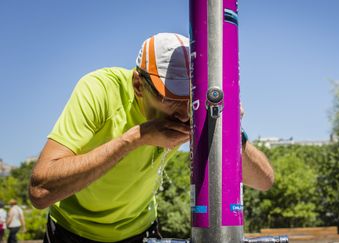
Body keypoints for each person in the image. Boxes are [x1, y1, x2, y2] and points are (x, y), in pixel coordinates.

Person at [29, 33, 274, 242]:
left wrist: (230, 129)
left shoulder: (193, 109)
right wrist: (136, 137)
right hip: (73, 230)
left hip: (140, 229)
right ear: (138, 85)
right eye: (170, 99)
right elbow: (40, 192)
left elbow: (263, 181)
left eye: (188, 99)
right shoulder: (100, 90)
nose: (182, 113)